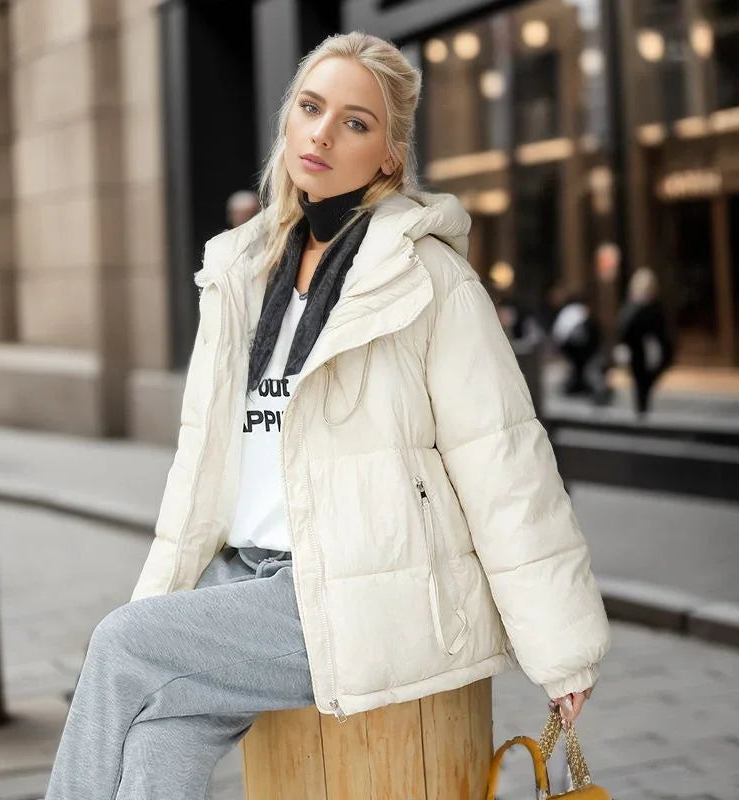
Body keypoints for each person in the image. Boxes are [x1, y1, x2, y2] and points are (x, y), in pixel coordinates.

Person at [45, 32, 609, 799]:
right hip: (245, 576)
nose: (322, 133)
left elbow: (503, 461)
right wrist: (168, 589)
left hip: (355, 587)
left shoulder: (428, 279)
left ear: (388, 155)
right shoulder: (242, 273)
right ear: (288, 121)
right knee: (156, 732)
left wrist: (563, 649)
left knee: (120, 646)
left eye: (355, 121)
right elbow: (202, 466)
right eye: (311, 108)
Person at [615, 267, 673, 416]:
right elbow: (625, 331)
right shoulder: (634, 308)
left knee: (644, 383)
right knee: (641, 384)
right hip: (639, 352)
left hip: (648, 353)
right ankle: (642, 409)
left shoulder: (652, 308)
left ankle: (643, 409)